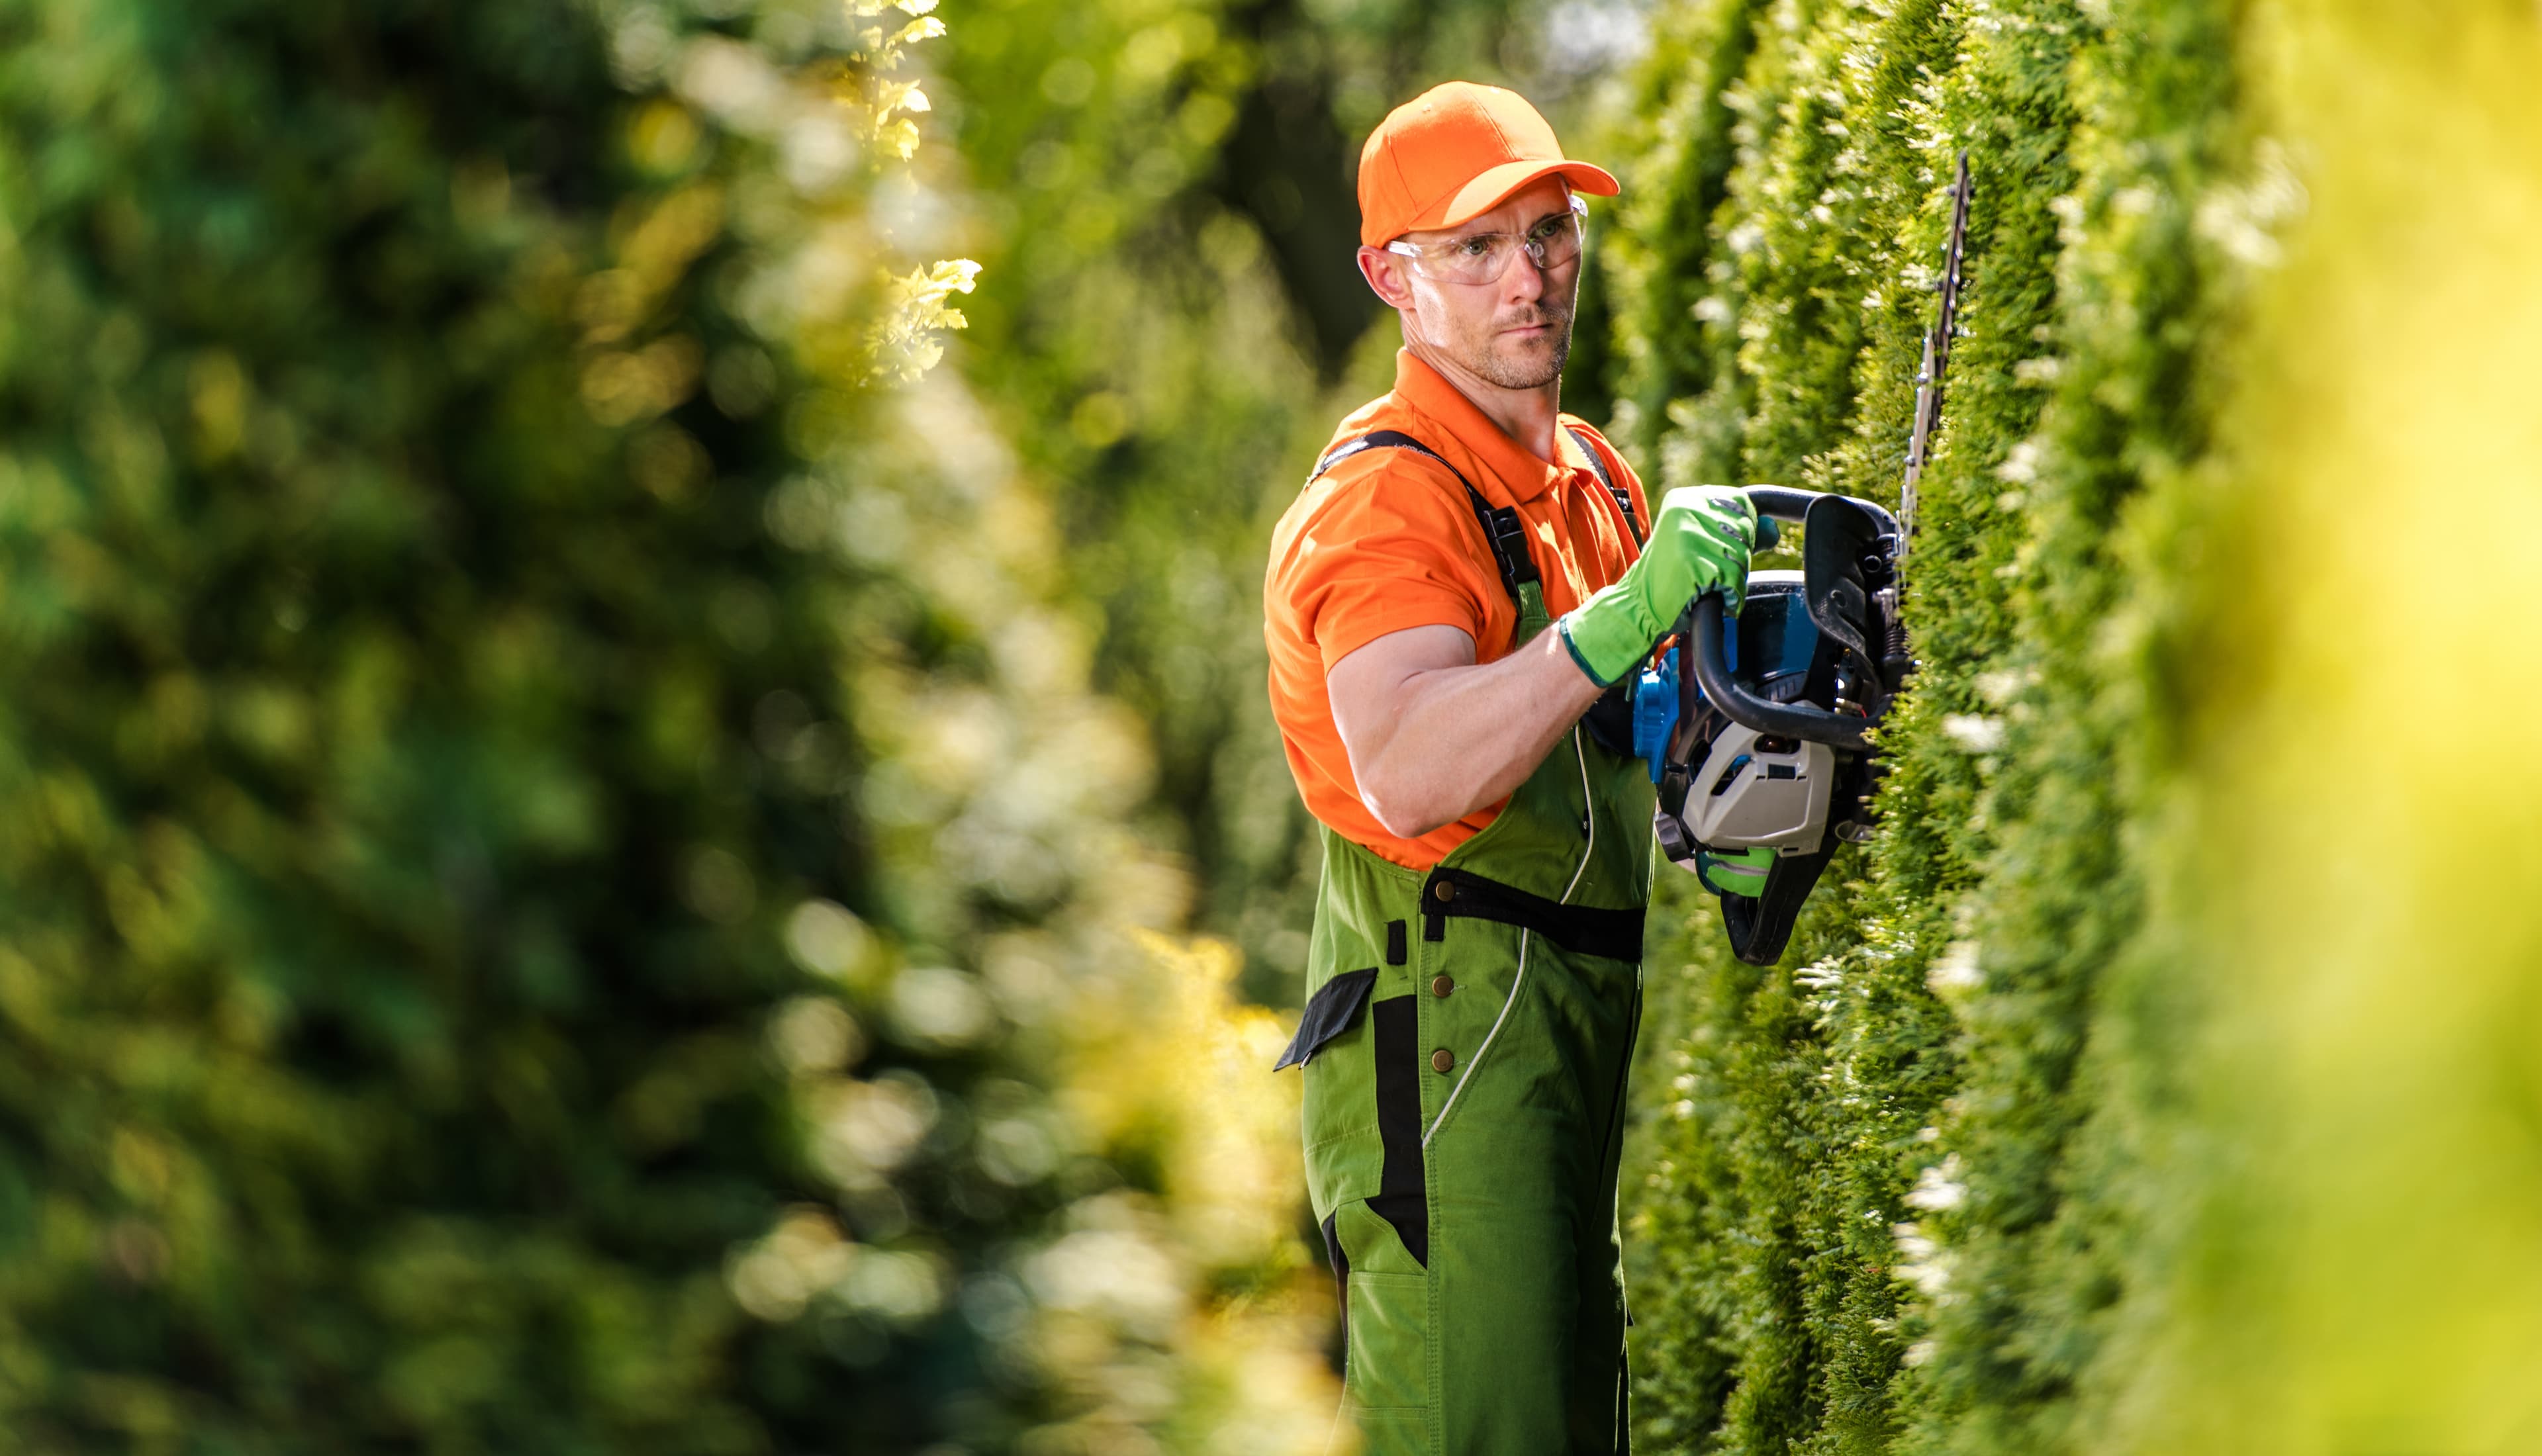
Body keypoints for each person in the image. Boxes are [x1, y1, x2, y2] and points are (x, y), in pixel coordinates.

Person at [1262, 82, 1757, 1454]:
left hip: (1568, 1020)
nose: (1528, 277)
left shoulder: (1590, 477)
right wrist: (1624, 616)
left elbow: (1611, 726)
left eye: (1547, 233)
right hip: (1447, 1034)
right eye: (1475, 248)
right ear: (1390, 278)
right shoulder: (1386, 501)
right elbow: (1412, 767)